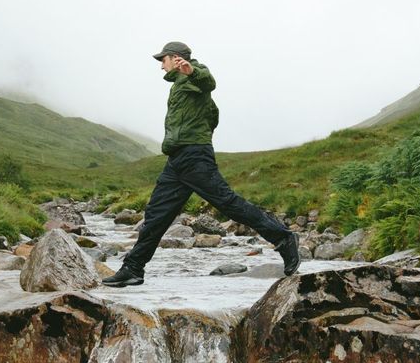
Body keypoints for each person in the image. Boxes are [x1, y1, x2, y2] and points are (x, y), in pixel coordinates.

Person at [102, 41, 300, 287]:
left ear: (176, 59)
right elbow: (213, 115)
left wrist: (192, 72)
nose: (161, 66)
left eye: (162, 60)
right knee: (156, 214)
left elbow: (209, 82)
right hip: (177, 160)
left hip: (194, 156)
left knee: (228, 203)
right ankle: (133, 268)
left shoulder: (193, 76)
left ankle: (284, 239)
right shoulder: (178, 86)